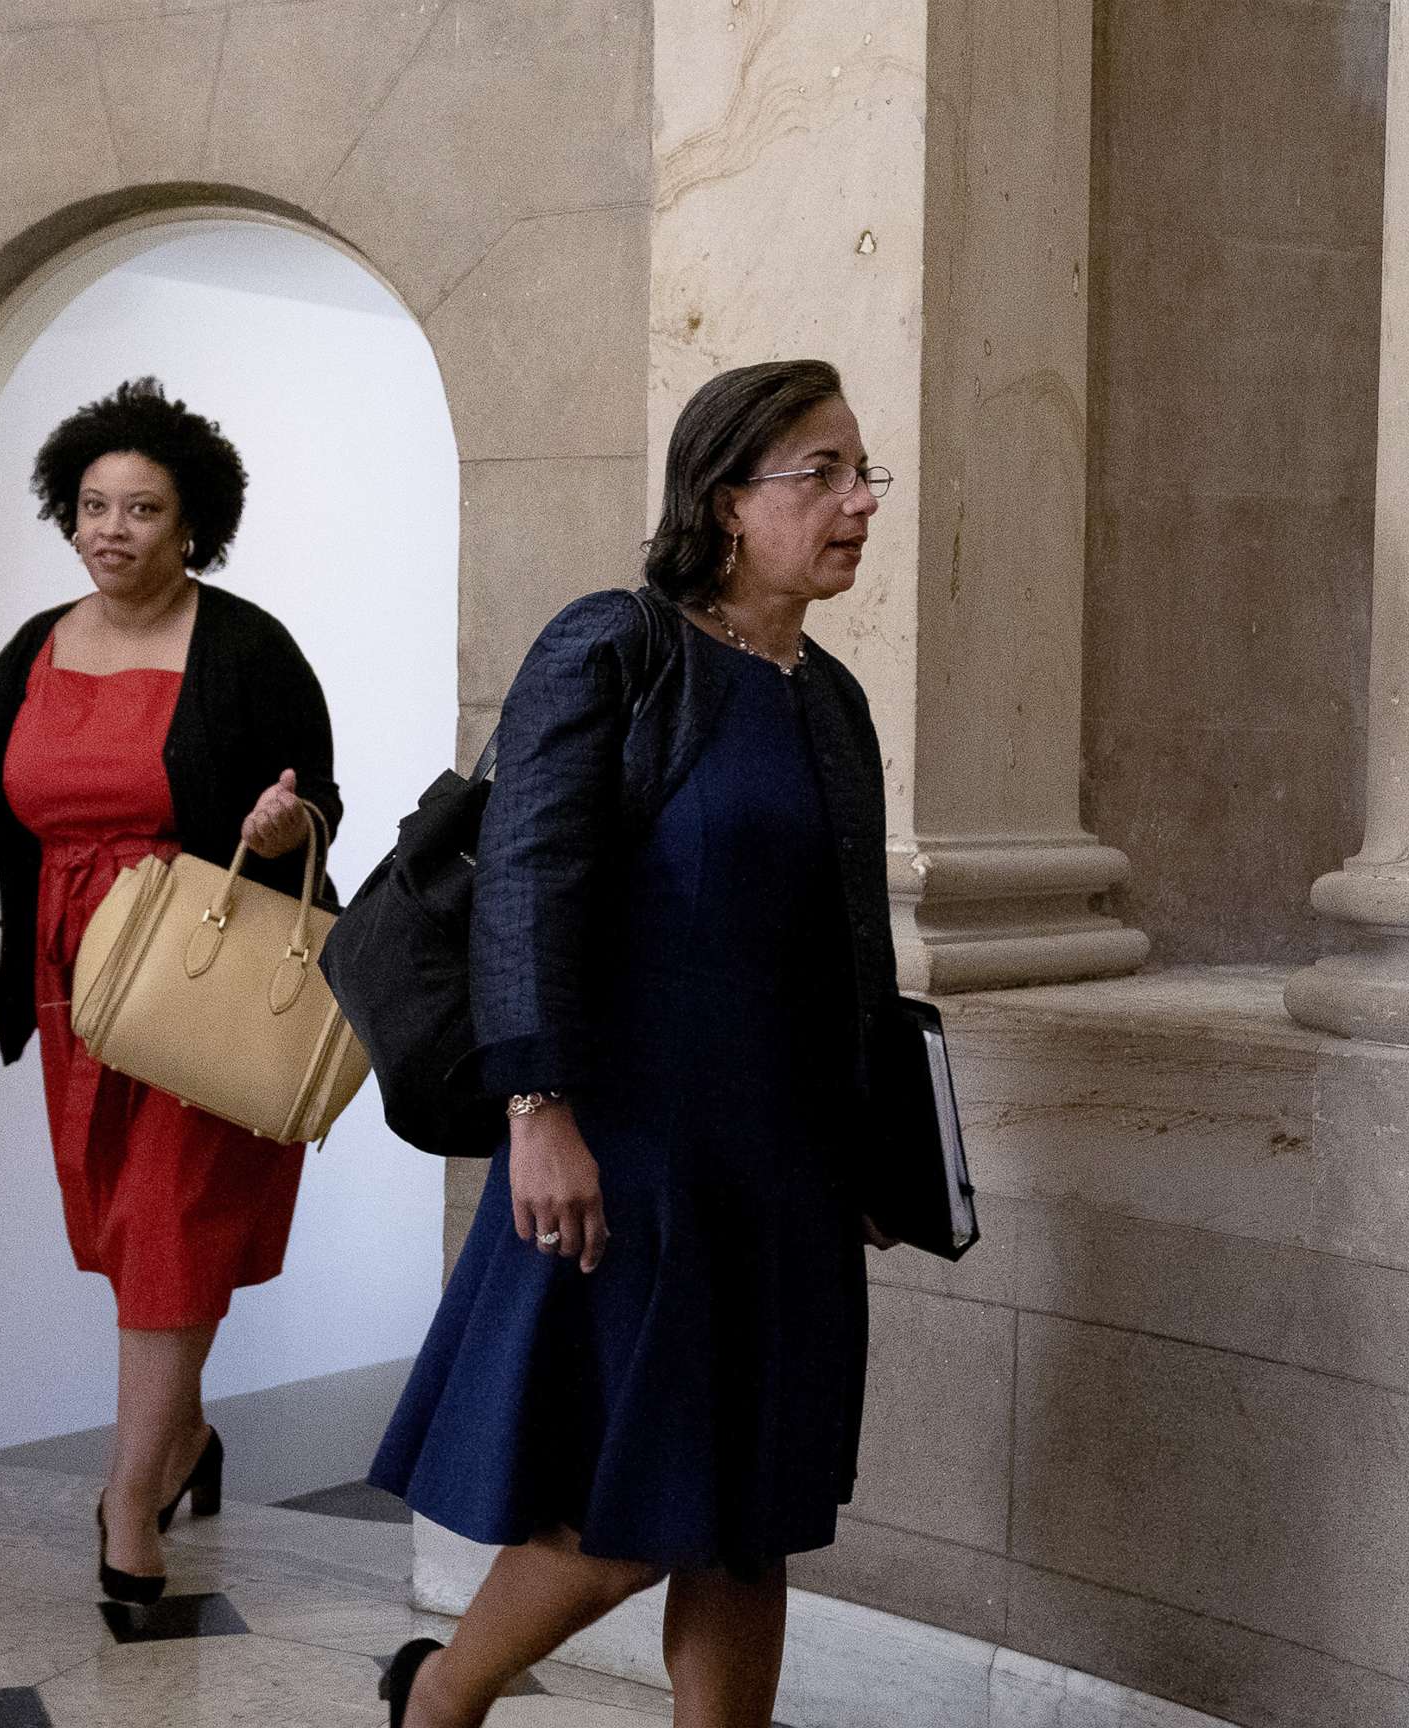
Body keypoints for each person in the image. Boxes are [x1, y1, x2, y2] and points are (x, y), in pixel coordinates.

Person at [367, 359, 899, 1728]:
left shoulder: (829, 702)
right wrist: (536, 1104)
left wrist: (872, 1142)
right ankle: (442, 1702)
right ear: (726, 499)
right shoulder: (614, 645)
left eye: (862, 475)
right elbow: (529, 882)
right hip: (629, 1149)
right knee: (621, 1509)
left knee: (747, 1519)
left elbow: (845, 951)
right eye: (822, 474)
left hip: (780, 1170)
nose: (857, 504)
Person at [0, 377, 342, 1605]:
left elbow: (317, 811)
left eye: (141, 509)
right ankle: (181, 1440)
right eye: (92, 505)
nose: (111, 529)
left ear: (192, 527)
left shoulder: (248, 647)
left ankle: (129, 1503)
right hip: (75, 984)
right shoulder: (36, 645)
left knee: (171, 1232)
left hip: (194, 985)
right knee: (127, 1236)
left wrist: (278, 825)